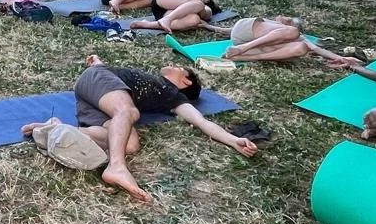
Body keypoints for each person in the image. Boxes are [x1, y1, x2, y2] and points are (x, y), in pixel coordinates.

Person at [22, 55, 258, 202]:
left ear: (186, 81)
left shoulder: (174, 97)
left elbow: (202, 122)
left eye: (178, 67)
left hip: (97, 104)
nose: (172, 64)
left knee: (131, 144)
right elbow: (107, 77)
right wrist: (97, 64)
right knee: (129, 112)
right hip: (98, 82)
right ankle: (117, 168)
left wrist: (232, 140)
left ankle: (53, 128)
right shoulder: (143, 79)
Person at [220, 16, 363, 65]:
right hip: (245, 35)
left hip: (250, 49)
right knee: (293, 32)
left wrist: (343, 59)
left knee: (301, 49)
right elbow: (231, 30)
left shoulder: (301, 39)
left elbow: (317, 49)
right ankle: (243, 49)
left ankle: (242, 56)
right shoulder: (280, 26)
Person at [127, 0, 222, 33]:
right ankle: (167, 20)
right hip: (163, 1)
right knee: (198, 6)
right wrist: (192, 0)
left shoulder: (206, 7)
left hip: (164, 15)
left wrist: (197, 0)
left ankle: (146, 24)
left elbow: (204, 11)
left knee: (195, 19)